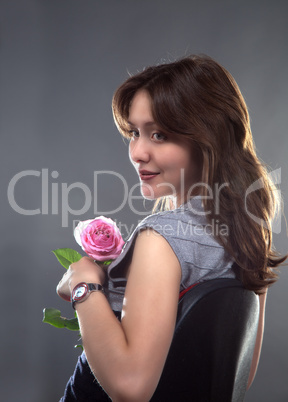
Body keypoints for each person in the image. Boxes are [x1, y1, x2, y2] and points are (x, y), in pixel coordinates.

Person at [57, 55, 286, 401]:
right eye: (135, 132)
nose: (138, 152)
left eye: (159, 135)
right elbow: (239, 374)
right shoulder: (249, 232)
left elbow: (130, 387)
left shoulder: (161, 238)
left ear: (207, 139)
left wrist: (83, 285)